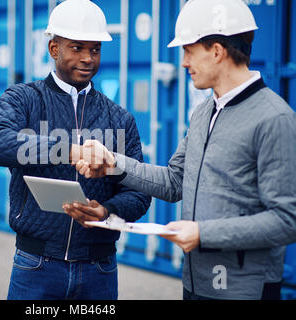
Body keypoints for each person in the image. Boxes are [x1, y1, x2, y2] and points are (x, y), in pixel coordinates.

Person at [67, 0, 296, 300]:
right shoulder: (203, 113)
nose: (184, 63)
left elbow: (286, 219)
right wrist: (112, 163)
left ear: (216, 51)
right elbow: (175, 182)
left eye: (189, 51)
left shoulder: (274, 118)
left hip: (245, 290)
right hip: (195, 283)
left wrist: (203, 234)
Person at [0, 0, 150, 300]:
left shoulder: (119, 118)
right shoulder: (23, 99)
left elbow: (139, 193)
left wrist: (108, 211)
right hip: (36, 265)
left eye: (94, 49)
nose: (87, 58)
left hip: (99, 269)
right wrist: (68, 151)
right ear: (54, 49)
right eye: (77, 48)